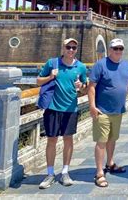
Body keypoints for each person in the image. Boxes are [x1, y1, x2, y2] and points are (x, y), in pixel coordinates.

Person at [37, 38, 87, 189]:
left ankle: (65, 172)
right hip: (52, 108)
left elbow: (85, 88)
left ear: (76, 50)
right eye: (68, 47)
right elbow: (38, 81)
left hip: (70, 109)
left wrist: (82, 86)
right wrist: (51, 77)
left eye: (73, 47)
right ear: (63, 48)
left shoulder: (81, 67)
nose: (71, 50)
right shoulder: (52, 63)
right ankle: (50, 173)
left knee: (68, 140)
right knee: (51, 140)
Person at [89, 38, 128, 188]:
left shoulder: (126, 65)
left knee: (112, 139)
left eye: (120, 49)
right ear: (110, 50)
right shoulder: (100, 65)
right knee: (101, 141)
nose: (118, 51)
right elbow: (91, 87)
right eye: (115, 49)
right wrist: (91, 106)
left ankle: (110, 163)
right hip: (102, 110)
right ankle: (99, 172)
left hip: (118, 110)